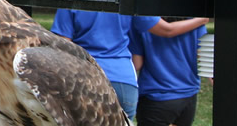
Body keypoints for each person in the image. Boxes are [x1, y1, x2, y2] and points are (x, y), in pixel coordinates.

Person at [51, 9, 208, 119]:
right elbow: (166, 30)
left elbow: (63, 47)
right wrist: (201, 19)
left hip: (85, 79)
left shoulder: (72, 2)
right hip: (123, 82)